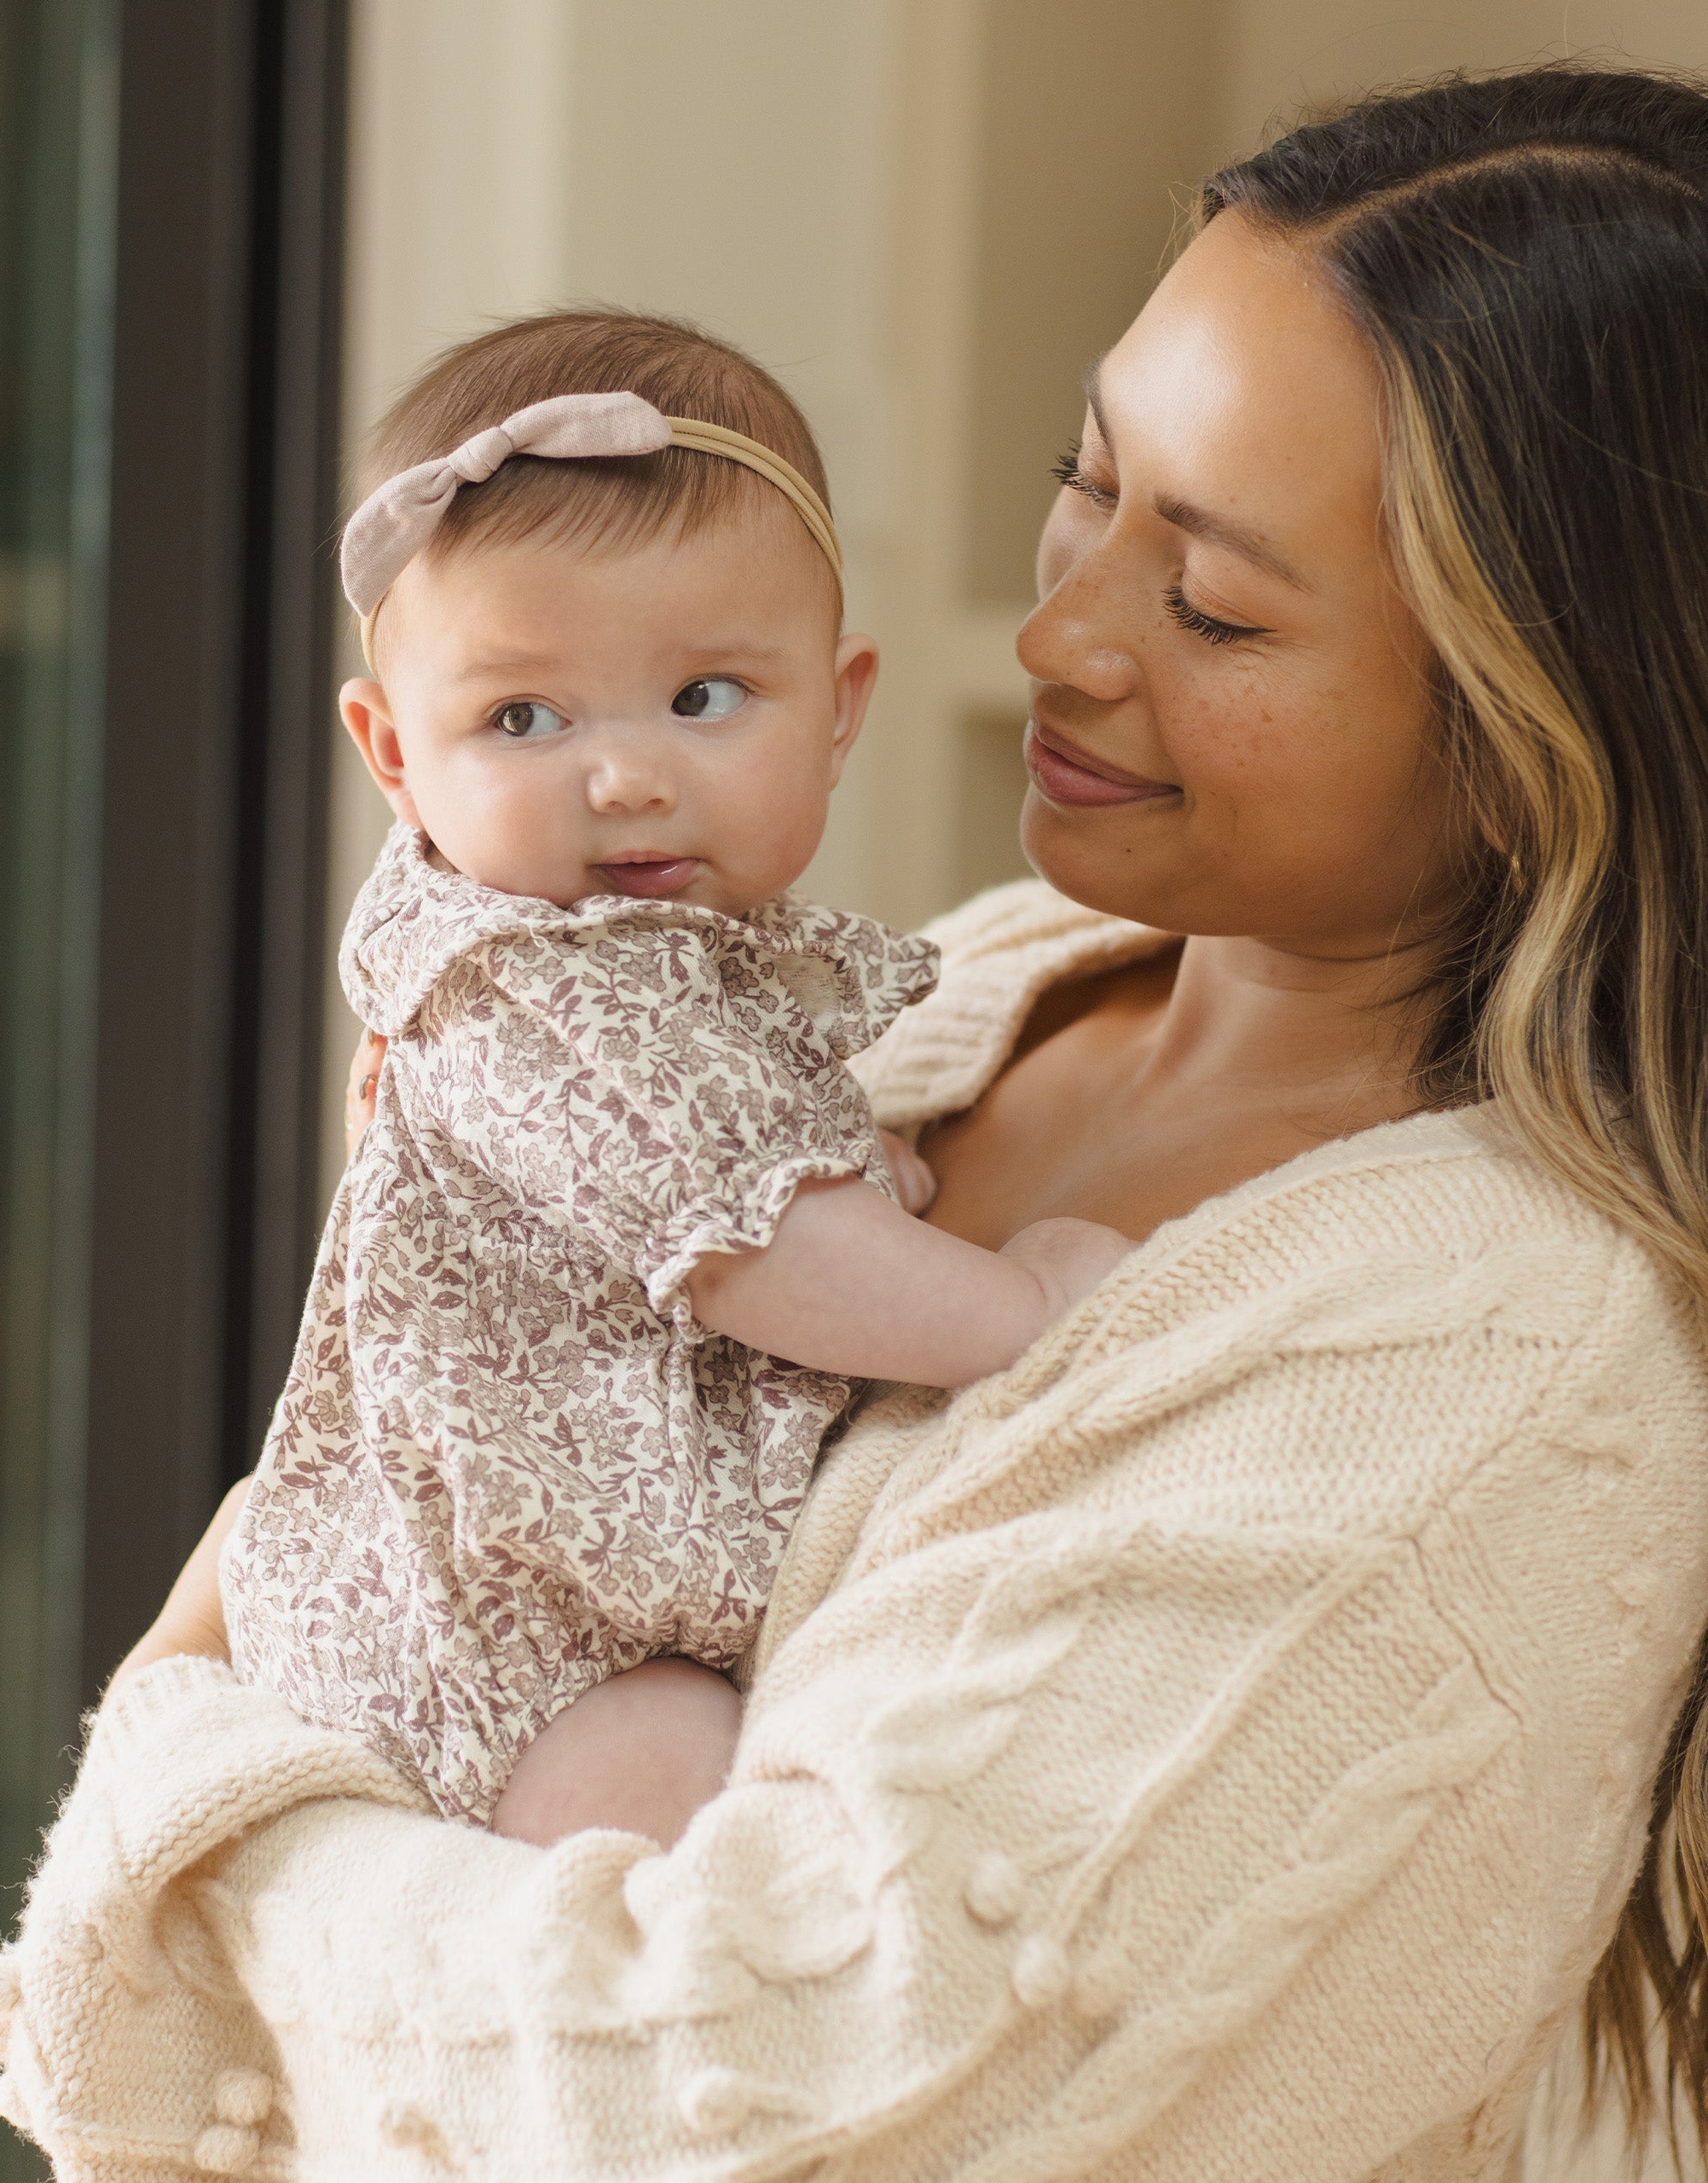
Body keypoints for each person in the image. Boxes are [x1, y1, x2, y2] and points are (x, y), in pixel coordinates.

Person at [0, 57, 1708, 2183]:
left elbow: (728, 2104)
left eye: (1217, 601)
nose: (1060, 629)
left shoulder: (1470, 1360)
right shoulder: (947, 990)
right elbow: (384, 1460)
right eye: (1086, 483)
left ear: (1558, 723)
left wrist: (180, 1800)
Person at [221, 310, 1126, 1848]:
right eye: (523, 717)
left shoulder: (646, 957)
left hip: (566, 1582)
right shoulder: (540, 983)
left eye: (706, 697)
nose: (626, 774)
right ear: (392, 755)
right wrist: (1023, 1307)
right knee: (662, 1839)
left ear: (838, 710)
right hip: (519, 1641)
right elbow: (753, 1250)